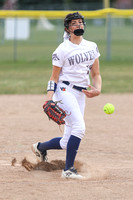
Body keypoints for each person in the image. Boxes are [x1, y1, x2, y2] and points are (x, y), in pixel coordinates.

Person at [31, 12, 102, 179]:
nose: (78, 25)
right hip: (64, 91)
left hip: (81, 93)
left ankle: (40, 147)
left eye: (80, 23)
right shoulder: (62, 50)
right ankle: (68, 170)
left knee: (65, 142)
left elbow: (96, 74)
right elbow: (54, 77)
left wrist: (97, 89)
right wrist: (49, 99)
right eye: (74, 23)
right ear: (67, 28)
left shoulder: (91, 46)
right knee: (80, 128)